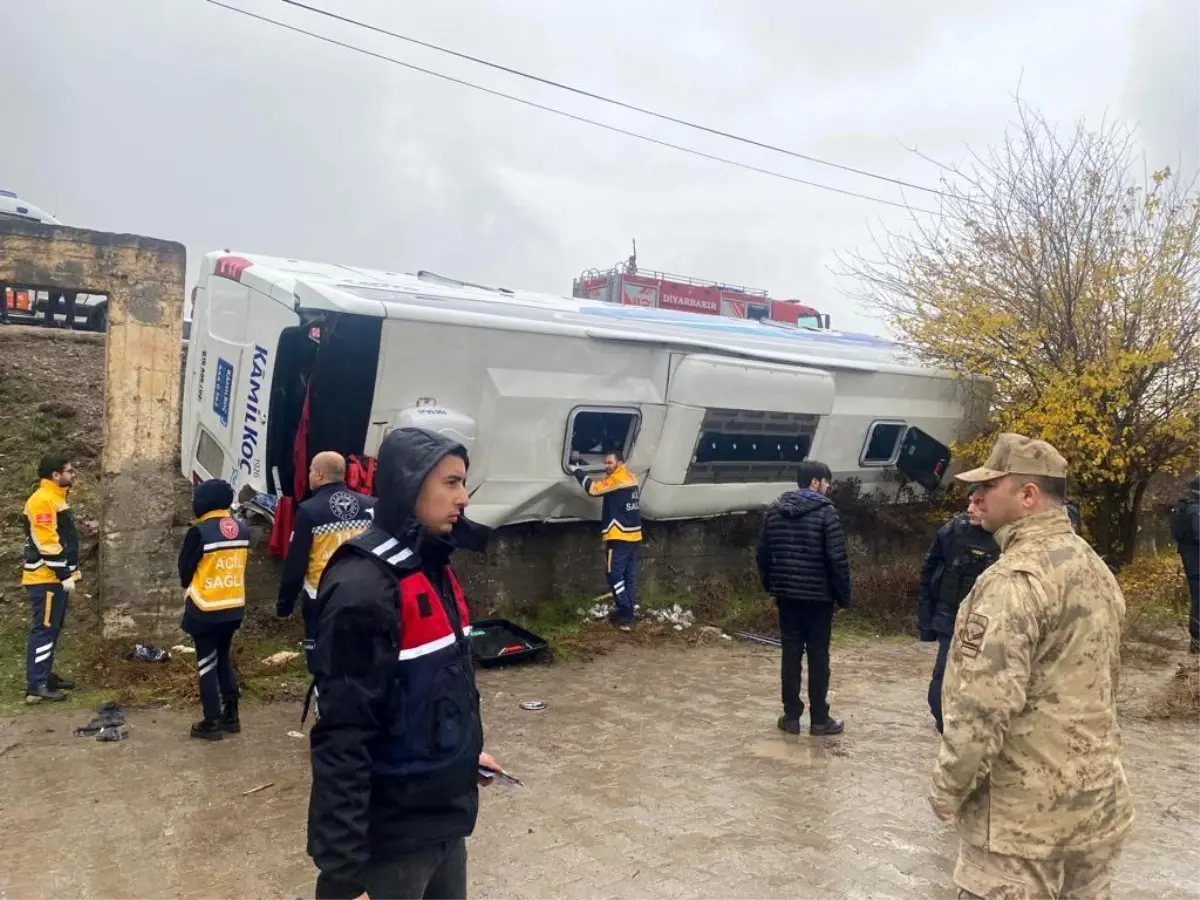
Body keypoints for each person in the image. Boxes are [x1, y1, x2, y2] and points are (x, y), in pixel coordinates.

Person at [930, 433, 1133, 899]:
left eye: (990, 486)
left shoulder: (1013, 582)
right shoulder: (1095, 569)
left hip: (1020, 824)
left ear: (1027, 496)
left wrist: (948, 787)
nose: (976, 496)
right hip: (1096, 808)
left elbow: (984, 706)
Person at [307, 427, 503, 900]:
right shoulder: (364, 587)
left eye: (464, 484)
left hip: (445, 822)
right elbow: (342, 741)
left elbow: (435, 689)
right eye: (451, 483)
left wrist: (460, 756)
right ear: (411, 486)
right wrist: (344, 878)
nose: (464, 500)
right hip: (390, 844)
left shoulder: (434, 568)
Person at [755, 460, 851, 736]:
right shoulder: (826, 514)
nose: (828, 487)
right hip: (819, 599)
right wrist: (843, 597)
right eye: (825, 481)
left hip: (786, 597)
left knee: (791, 655)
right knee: (819, 657)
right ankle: (820, 719)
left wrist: (771, 585)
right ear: (814, 482)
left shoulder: (774, 512)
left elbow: (762, 554)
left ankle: (791, 717)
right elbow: (837, 559)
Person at [277, 450, 375, 672]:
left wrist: (285, 604)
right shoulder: (369, 505)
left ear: (320, 474)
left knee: (322, 661)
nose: (309, 474)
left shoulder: (310, 511)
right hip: (366, 591)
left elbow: (296, 562)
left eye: (311, 470)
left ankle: (325, 703)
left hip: (323, 596)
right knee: (359, 657)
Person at [916, 486, 999, 733]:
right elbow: (928, 573)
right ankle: (943, 721)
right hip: (950, 618)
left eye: (978, 503)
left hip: (987, 622)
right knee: (944, 675)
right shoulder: (951, 531)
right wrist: (925, 617)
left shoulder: (1005, 537)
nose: (971, 509)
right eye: (970, 502)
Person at [177, 479, 250, 740]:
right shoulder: (242, 529)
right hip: (233, 606)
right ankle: (232, 715)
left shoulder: (200, 532)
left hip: (205, 607)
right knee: (223, 658)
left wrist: (189, 586)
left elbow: (184, 570)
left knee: (207, 663)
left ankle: (211, 720)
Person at [21, 453, 80, 703]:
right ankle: (37, 684)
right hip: (45, 578)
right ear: (55, 475)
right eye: (69, 470)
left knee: (52, 628)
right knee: (44, 629)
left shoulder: (54, 498)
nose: (73, 474)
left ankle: (44, 674)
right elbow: (46, 542)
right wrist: (63, 573)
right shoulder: (42, 500)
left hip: (53, 577)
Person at [568, 448, 642, 631]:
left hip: (619, 536)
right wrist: (584, 466)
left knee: (614, 575)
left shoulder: (617, 480)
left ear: (619, 463)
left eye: (610, 463)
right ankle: (629, 610)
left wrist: (576, 470)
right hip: (634, 536)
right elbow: (606, 483)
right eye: (605, 463)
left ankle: (625, 614)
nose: (606, 466)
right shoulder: (630, 477)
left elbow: (594, 489)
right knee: (629, 576)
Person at [1169, 476, 1200, 654]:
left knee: (1197, 599)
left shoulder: (1185, 507)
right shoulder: (1195, 510)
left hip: (1191, 560)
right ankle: (1196, 641)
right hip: (1196, 562)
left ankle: (1196, 640)